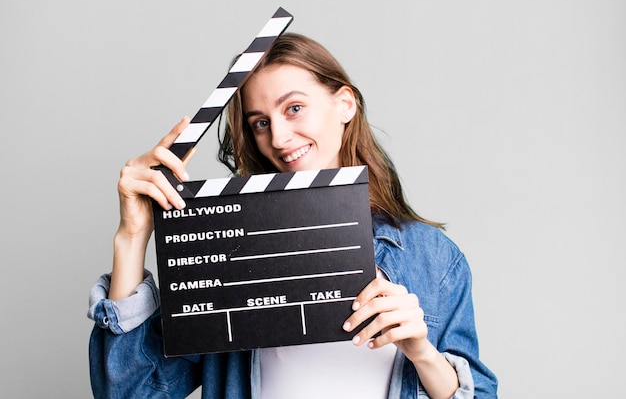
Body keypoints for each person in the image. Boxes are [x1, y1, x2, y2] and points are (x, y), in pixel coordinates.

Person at [88, 33, 498, 398]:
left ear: (345, 104)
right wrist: (132, 236)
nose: (279, 138)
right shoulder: (229, 248)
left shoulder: (435, 258)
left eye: (295, 108)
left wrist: (421, 352)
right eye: (261, 123)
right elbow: (131, 392)